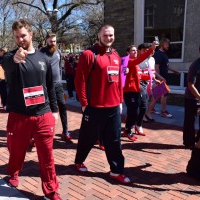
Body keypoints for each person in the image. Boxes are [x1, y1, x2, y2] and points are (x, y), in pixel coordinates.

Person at [2, 19, 61, 200]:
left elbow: (50, 86)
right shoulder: (10, 56)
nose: (20, 39)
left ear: (31, 34)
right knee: (16, 151)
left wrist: (55, 110)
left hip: (43, 114)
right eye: (17, 37)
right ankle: (13, 173)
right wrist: (15, 59)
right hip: (19, 116)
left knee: (47, 156)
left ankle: (50, 190)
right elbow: (6, 65)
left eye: (23, 35)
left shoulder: (44, 58)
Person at [74, 24, 130, 184]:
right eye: (105, 35)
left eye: (111, 35)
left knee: (114, 141)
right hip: (94, 108)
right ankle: (79, 161)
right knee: (87, 138)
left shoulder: (116, 55)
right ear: (99, 36)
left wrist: (120, 100)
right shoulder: (88, 55)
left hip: (113, 108)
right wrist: (84, 103)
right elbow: (80, 81)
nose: (109, 38)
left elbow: (118, 81)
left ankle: (116, 171)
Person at [40, 32, 72, 141]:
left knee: (62, 105)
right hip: (47, 86)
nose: (53, 43)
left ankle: (65, 131)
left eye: (54, 41)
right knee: (46, 109)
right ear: (46, 40)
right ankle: (39, 133)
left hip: (58, 84)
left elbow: (59, 68)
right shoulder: (41, 53)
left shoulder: (58, 51)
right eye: (51, 41)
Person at [123, 42, 156, 141]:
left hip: (136, 91)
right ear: (128, 53)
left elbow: (140, 75)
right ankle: (128, 130)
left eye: (135, 50)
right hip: (129, 91)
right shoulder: (129, 61)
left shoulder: (135, 64)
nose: (135, 52)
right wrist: (151, 49)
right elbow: (140, 59)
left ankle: (129, 128)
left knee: (138, 111)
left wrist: (151, 77)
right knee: (134, 112)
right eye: (132, 50)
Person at [149, 38, 180, 118]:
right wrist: (159, 79)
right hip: (161, 78)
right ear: (162, 44)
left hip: (163, 77)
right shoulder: (158, 54)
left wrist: (173, 71)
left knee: (156, 95)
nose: (168, 46)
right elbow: (156, 67)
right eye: (166, 44)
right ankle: (163, 111)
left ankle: (151, 109)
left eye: (168, 44)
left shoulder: (164, 54)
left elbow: (165, 66)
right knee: (164, 94)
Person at [183, 45, 200, 149]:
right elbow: (190, 85)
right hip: (191, 97)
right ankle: (189, 142)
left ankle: (197, 141)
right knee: (190, 121)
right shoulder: (195, 65)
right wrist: (199, 97)